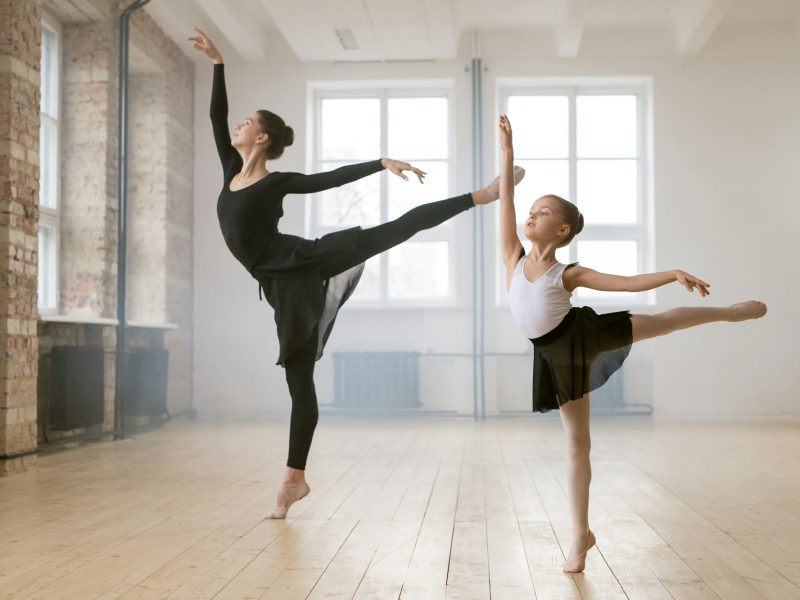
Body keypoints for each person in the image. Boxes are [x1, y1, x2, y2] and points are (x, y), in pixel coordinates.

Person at [188, 28, 525, 519]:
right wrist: (218, 62)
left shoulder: (277, 181)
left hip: (302, 260)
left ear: (261, 137)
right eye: (241, 121)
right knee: (299, 380)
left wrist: (380, 162)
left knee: (395, 229)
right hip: (281, 287)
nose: (237, 126)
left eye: (247, 122)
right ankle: (295, 479)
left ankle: (484, 195)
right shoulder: (229, 170)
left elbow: (328, 180)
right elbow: (216, 116)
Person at [497, 114, 767, 572]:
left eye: (542, 212)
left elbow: (624, 283)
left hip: (579, 338)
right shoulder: (512, 256)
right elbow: (506, 200)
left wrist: (672, 272)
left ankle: (729, 313)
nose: (530, 214)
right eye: (532, 210)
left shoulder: (569, 273)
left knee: (659, 323)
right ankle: (582, 533)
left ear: (562, 230)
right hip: (554, 355)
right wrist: (508, 154)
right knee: (577, 444)